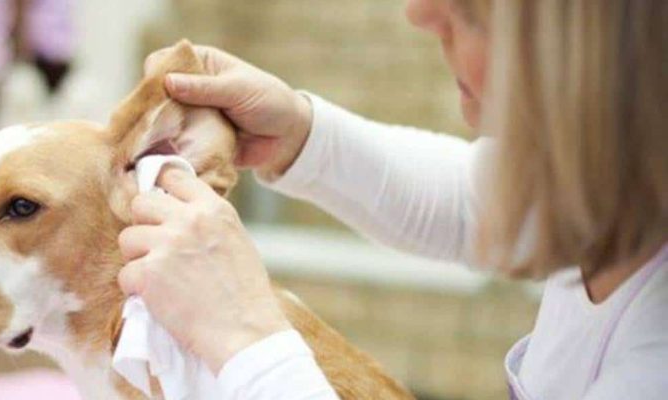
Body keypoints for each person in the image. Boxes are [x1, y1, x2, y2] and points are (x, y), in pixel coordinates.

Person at [116, 0, 667, 398]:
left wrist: (243, 336)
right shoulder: (622, 185)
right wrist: (299, 134)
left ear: (602, 60)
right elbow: (468, 199)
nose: (420, 12)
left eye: (475, 10)